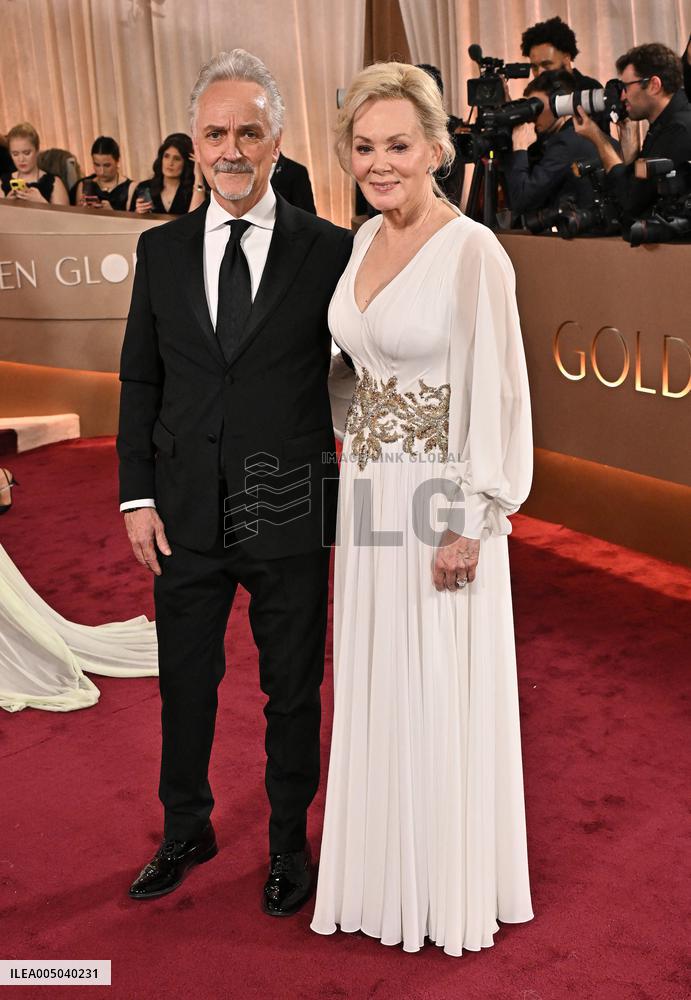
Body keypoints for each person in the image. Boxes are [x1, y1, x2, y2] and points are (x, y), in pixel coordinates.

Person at [117, 49, 352, 912]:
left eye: (248, 132)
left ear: (277, 140)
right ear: (192, 140)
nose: (230, 148)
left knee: (290, 689)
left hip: (288, 505)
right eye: (214, 132)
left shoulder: (330, 249)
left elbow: (368, 371)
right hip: (181, 514)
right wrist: (134, 496)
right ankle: (187, 826)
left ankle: (289, 843)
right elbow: (141, 378)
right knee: (184, 680)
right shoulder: (160, 249)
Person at [310, 62, 534, 956]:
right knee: (376, 677)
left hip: (439, 497)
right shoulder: (361, 240)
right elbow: (354, 367)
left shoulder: (473, 248)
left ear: (436, 147)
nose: (379, 163)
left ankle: (439, 888)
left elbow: (500, 391)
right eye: (363, 148)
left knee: (435, 682)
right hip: (368, 491)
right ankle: (377, 876)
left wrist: (471, 517)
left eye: (397, 145)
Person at [573, 43, 691, 222]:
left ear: (653, 85)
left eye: (626, 87)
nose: (622, 97)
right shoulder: (667, 120)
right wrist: (629, 139)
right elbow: (636, 188)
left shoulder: (678, 128)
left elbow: (631, 200)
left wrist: (598, 138)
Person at [506, 69, 610, 221]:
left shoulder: (566, 142)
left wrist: (520, 148)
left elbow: (522, 200)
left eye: (537, 106)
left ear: (560, 104)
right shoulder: (579, 134)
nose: (531, 115)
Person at [130, 132, 206, 215]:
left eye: (177, 159)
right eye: (166, 156)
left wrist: (198, 175)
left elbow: (196, 220)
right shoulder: (144, 187)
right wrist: (137, 213)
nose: (170, 163)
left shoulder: (196, 190)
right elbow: (130, 223)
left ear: (186, 163)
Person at [0, 123, 69, 205]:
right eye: (15, 154)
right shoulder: (2, 182)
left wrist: (41, 202)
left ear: (37, 150)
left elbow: (64, 217)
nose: (21, 159)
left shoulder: (54, 183)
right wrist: (6, 204)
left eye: (26, 153)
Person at [71, 136, 133, 211]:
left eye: (107, 165)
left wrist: (113, 213)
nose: (101, 171)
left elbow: (134, 220)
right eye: (97, 165)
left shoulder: (130, 187)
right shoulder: (84, 185)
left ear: (117, 161)